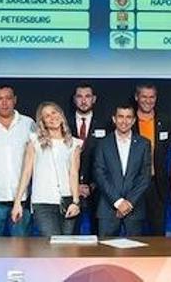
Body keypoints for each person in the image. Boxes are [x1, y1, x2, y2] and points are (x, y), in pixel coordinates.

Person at [11, 102, 82, 236]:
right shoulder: (34, 142)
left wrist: (76, 202)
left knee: (67, 247)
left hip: (68, 201)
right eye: (47, 116)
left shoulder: (74, 144)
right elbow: (26, 173)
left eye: (54, 113)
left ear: (61, 115)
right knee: (53, 245)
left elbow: (74, 174)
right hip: (43, 202)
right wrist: (17, 202)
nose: (52, 117)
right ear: (42, 122)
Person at [0, 84, 35, 237]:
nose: (4, 103)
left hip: (21, 197)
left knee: (21, 251)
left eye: (8, 98)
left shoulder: (28, 124)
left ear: (15, 100)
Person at [94, 104, 152, 236]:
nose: (124, 121)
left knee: (136, 254)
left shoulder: (144, 144)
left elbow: (145, 176)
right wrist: (118, 202)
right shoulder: (103, 143)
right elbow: (99, 174)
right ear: (114, 119)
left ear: (133, 120)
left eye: (128, 117)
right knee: (106, 252)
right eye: (120, 117)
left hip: (135, 209)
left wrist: (129, 202)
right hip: (108, 209)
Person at [67, 82, 111, 234]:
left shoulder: (107, 123)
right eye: (80, 96)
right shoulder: (63, 123)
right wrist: (75, 186)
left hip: (99, 189)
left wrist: (93, 184)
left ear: (94, 99)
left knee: (99, 235)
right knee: (70, 235)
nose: (83, 100)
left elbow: (110, 158)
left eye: (87, 96)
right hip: (69, 188)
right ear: (74, 99)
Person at [133, 83, 171, 235]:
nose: (148, 101)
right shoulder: (128, 120)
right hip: (133, 184)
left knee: (158, 232)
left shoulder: (166, 121)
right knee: (135, 233)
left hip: (157, 185)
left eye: (152, 97)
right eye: (144, 96)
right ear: (137, 97)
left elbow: (170, 152)